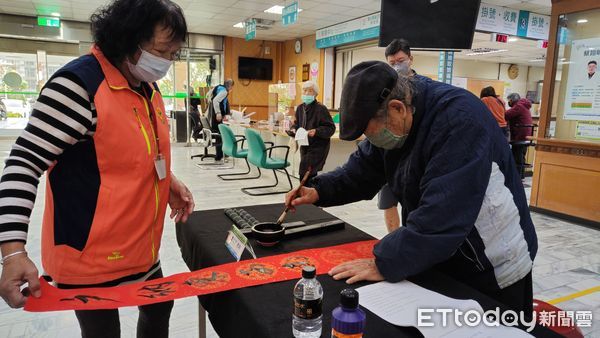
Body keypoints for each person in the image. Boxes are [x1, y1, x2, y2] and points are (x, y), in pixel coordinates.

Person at [0, 1, 195, 337]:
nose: (167, 62)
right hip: (90, 258)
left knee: (160, 306)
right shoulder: (77, 86)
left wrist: (168, 183)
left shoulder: (146, 86)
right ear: (127, 40)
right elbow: (23, 163)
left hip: (141, 249)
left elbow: (132, 153)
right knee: (103, 331)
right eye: (162, 50)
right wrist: (13, 251)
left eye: (174, 54)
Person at [286, 61, 538, 316]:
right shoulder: (395, 117)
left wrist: (386, 262)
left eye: (372, 134)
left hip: (493, 262)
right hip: (440, 254)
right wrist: (319, 190)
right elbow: (361, 170)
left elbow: (442, 215)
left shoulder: (459, 120)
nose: (374, 142)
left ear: (397, 108)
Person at [377, 38, 416, 233]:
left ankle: (410, 244)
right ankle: (393, 238)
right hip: (391, 152)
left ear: (410, 58)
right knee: (388, 201)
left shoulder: (424, 88)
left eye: (401, 60)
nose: (397, 66)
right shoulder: (385, 88)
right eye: (392, 63)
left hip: (415, 155)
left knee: (414, 205)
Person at [288, 81, 335, 181]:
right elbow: (297, 124)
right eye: (304, 90)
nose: (306, 93)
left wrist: (316, 131)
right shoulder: (300, 108)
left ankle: (304, 193)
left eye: (310, 91)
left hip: (318, 146)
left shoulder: (321, 109)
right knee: (308, 172)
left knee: (305, 171)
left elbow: (331, 128)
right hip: (304, 144)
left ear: (315, 94)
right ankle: (309, 193)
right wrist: (293, 129)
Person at [505, 93, 533, 179]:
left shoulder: (518, 106)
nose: (508, 102)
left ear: (512, 100)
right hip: (526, 135)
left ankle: (516, 176)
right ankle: (521, 175)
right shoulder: (524, 105)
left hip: (520, 135)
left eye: (509, 101)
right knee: (521, 155)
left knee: (517, 155)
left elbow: (506, 115)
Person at [208, 79, 234, 161]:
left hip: (213, 115)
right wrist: (218, 113)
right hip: (217, 116)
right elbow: (215, 100)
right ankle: (220, 155)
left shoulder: (218, 87)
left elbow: (207, 95)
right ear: (230, 86)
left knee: (219, 135)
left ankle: (220, 154)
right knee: (221, 135)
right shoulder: (224, 91)